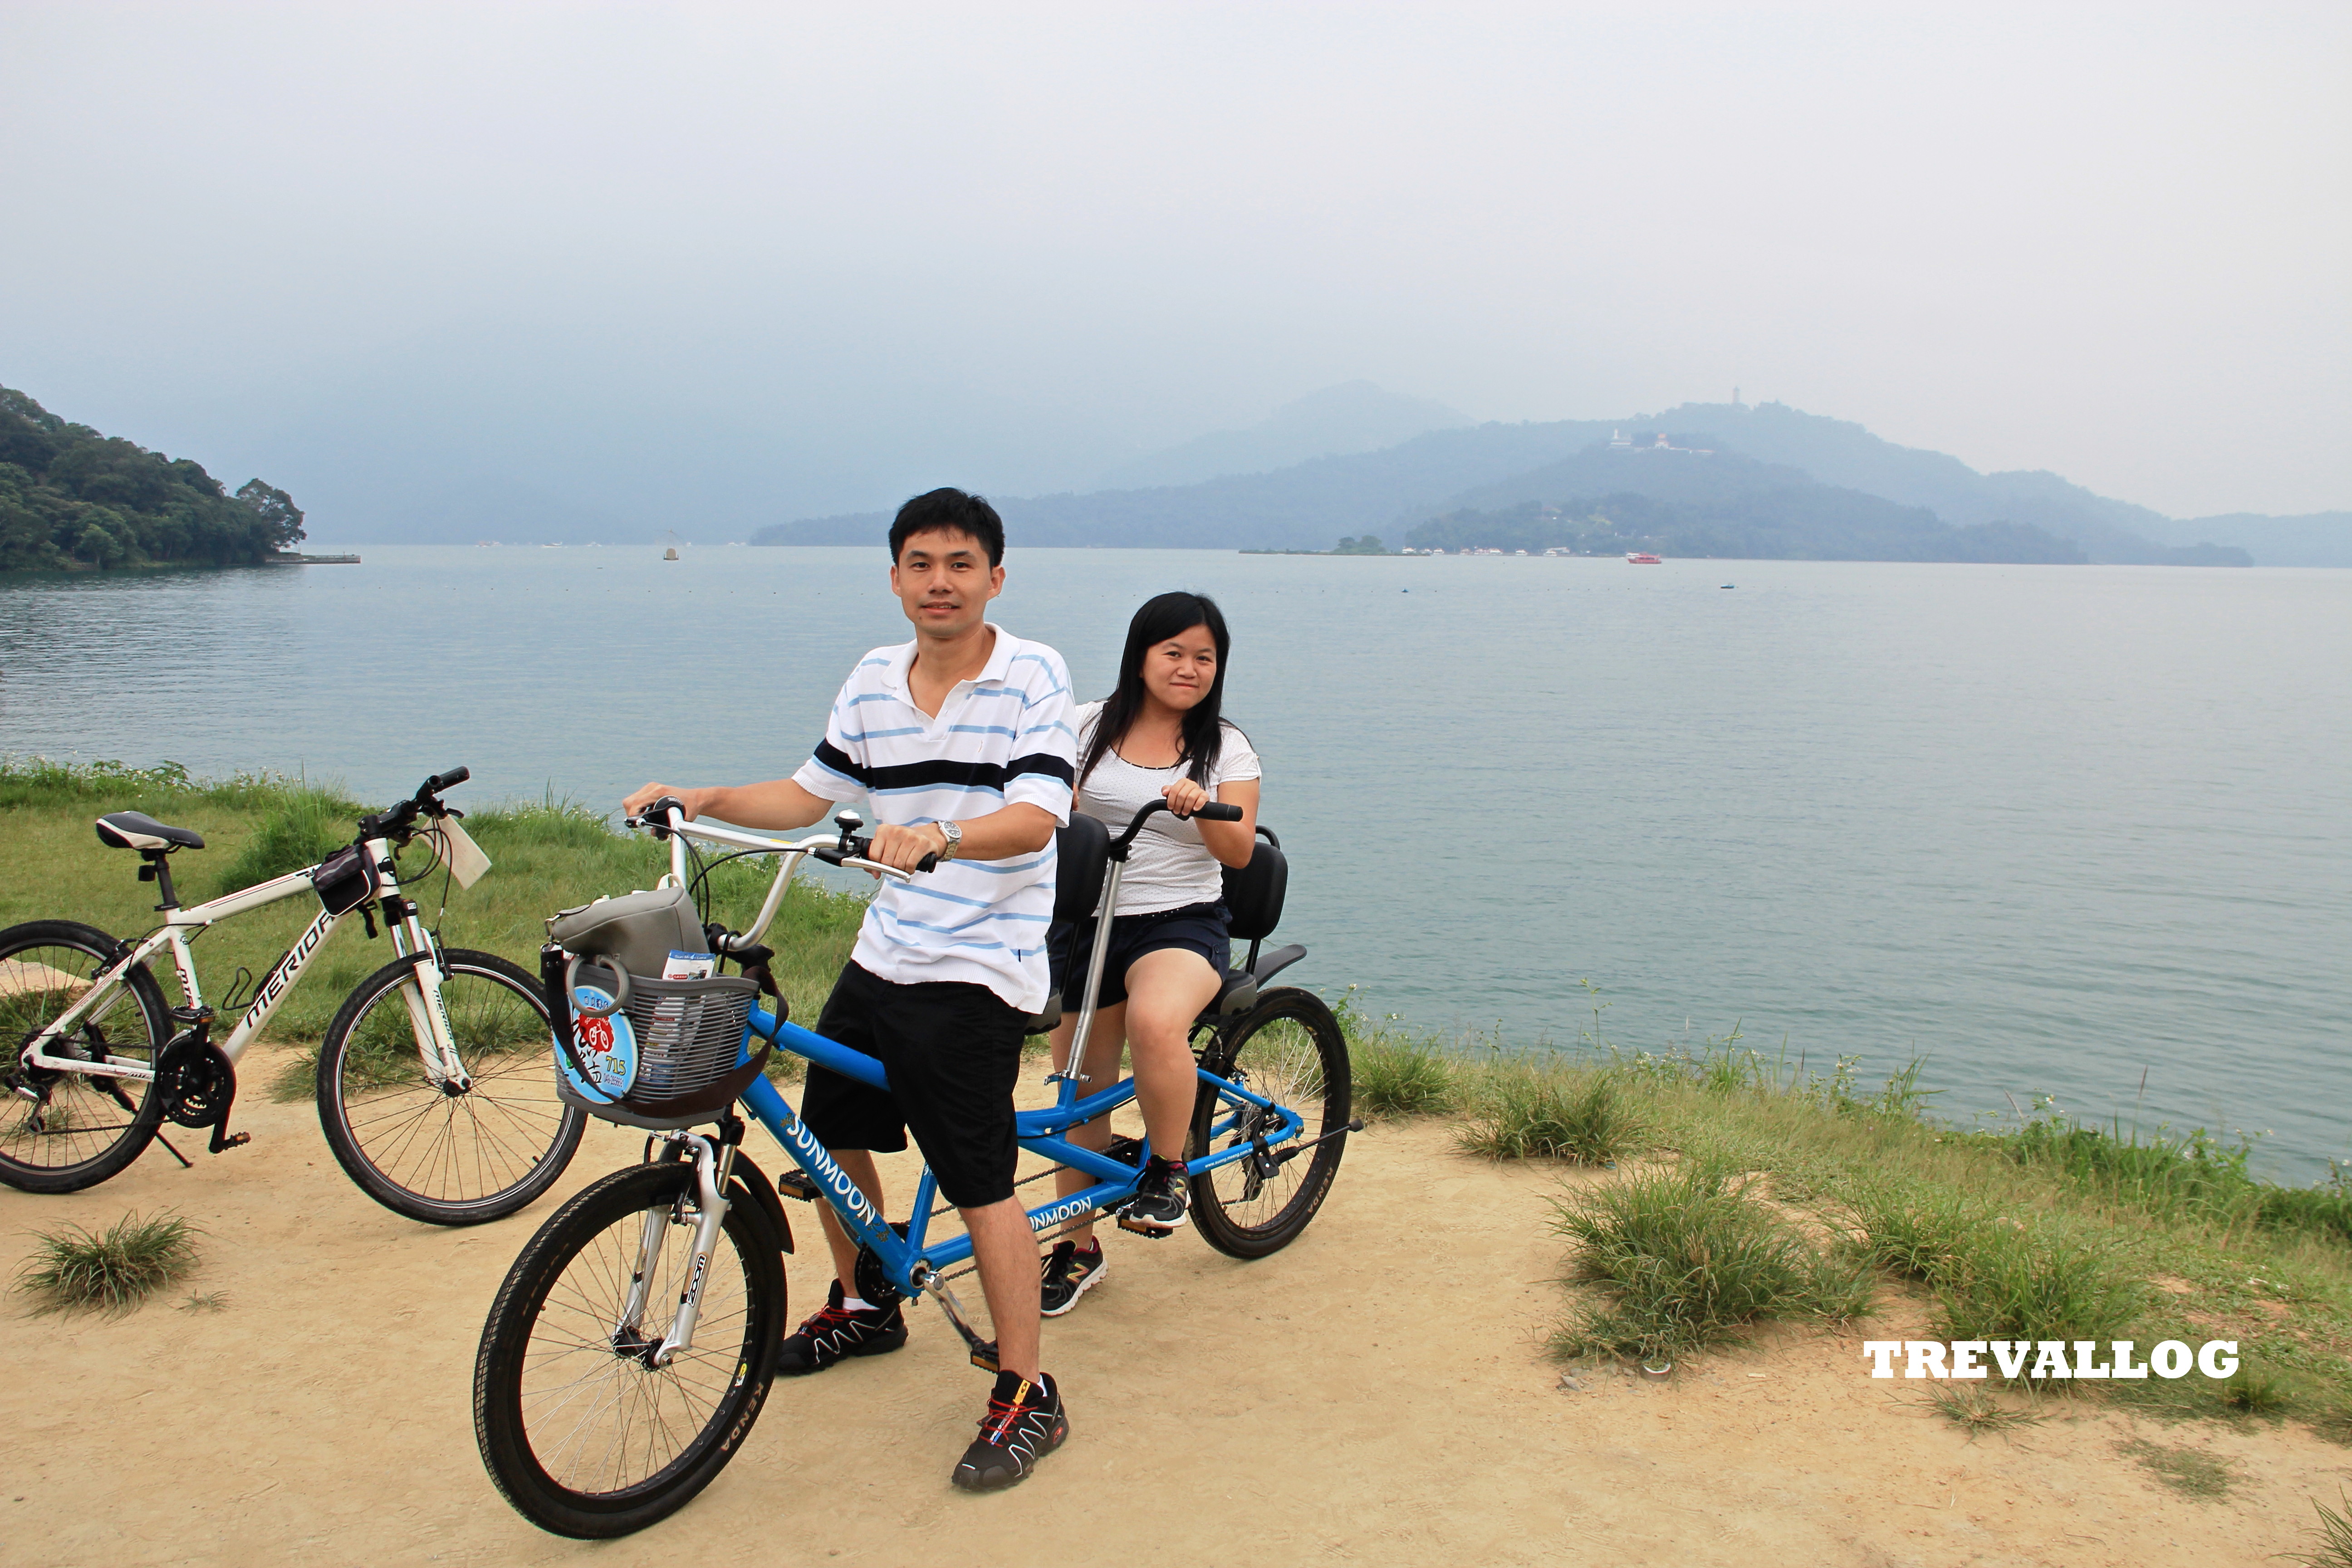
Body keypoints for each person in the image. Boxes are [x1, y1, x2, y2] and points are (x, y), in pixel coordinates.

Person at [622, 488, 1076, 1493]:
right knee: (832, 1130)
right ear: (895, 580)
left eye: (961, 564)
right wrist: (701, 798)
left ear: (995, 578)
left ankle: (1026, 1391)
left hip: (983, 959)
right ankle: (866, 1301)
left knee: (978, 1173)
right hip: (891, 945)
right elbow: (807, 793)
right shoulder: (874, 678)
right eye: (921, 564)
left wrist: (943, 834)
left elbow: (1041, 813)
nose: (940, 582)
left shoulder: (1032, 673)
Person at [1036, 591, 1260, 1318]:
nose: (1189, 668)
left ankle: (1168, 1168)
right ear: (1141, 655)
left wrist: (1200, 808)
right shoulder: (1084, 727)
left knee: (1156, 1027)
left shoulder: (1225, 747)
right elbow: (1041, 806)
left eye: (1204, 657)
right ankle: (1077, 1244)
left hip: (1181, 921)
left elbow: (1239, 850)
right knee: (1080, 1081)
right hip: (1085, 921)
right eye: (1175, 652)